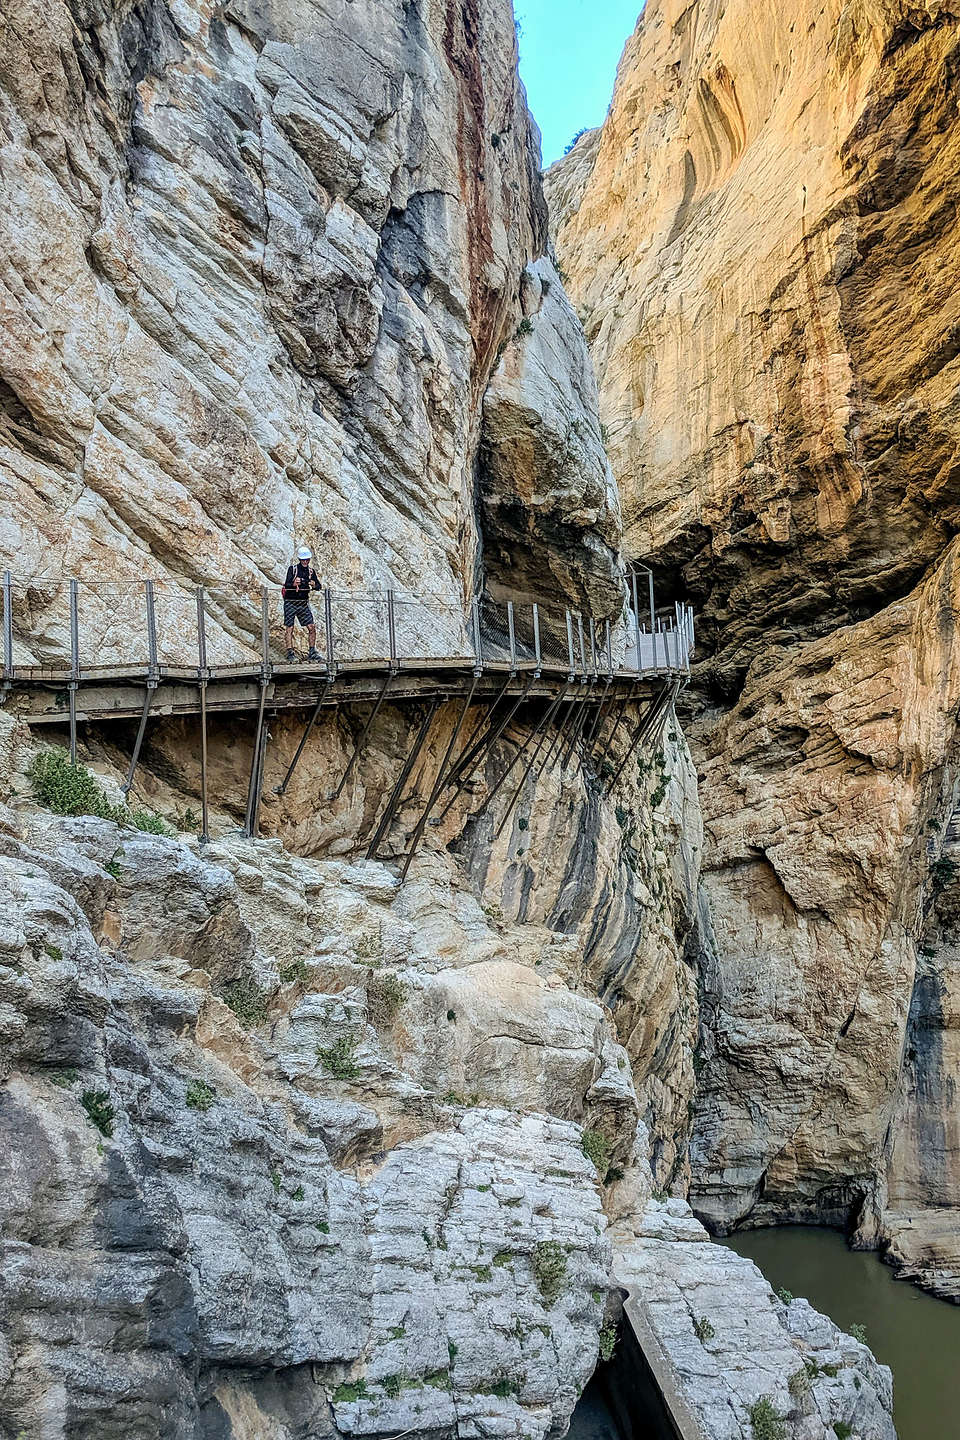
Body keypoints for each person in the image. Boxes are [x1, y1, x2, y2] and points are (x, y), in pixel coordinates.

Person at [282, 546, 322, 660]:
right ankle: (290, 653)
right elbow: (287, 584)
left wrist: (313, 584)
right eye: (303, 560)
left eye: (307, 559)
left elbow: (318, 586)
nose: (305, 561)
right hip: (291, 601)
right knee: (290, 627)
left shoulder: (311, 572)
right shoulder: (292, 569)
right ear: (300, 559)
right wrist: (294, 584)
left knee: (311, 627)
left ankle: (312, 652)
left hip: (303, 603)